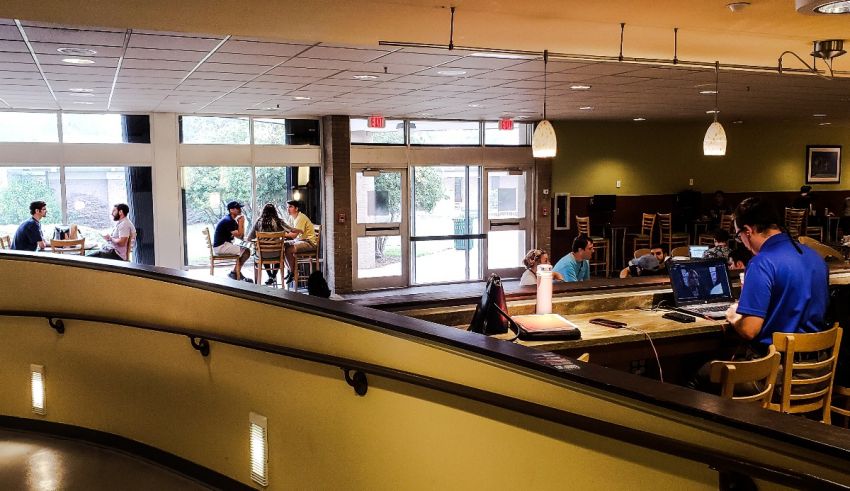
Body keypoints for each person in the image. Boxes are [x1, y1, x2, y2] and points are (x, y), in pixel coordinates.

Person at [726, 197, 828, 352]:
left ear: (748, 231)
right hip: (821, 364)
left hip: (778, 366)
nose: (743, 243)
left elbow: (749, 330)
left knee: (702, 372)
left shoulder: (761, 263)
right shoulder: (815, 256)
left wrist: (733, 316)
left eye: (739, 236)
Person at [247, 203, 294, 285]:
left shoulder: (258, 221)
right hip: (276, 254)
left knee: (262, 251)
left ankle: (270, 276)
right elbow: (290, 230)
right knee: (279, 253)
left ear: (263, 211)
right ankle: (273, 276)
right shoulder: (279, 221)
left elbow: (249, 238)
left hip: (263, 254)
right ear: (275, 211)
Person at [213, 201, 252, 282]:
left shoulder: (231, 220)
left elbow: (240, 236)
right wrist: (241, 223)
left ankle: (235, 272)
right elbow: (240, 235)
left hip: (223, 245)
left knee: (245, 250)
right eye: (237, 208)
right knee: (246, 252)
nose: (240, 209)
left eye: (239, 207)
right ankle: (234, 272)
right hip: (221, 246)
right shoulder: (228, 221)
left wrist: (239, 223)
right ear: (231, 210)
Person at [282, 200, 317, 285]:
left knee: (288, 249)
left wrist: (282, 234)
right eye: (287, 207)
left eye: (290, 207)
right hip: (300, 241)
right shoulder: (292, 217)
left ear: (296, 208)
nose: (288, 209)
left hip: (309, 243)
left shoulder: (300, 217)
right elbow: (288, 231)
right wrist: (284, 233)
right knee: (282, 247)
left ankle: (292, 272)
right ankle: (292, 271)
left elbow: (293, 235)